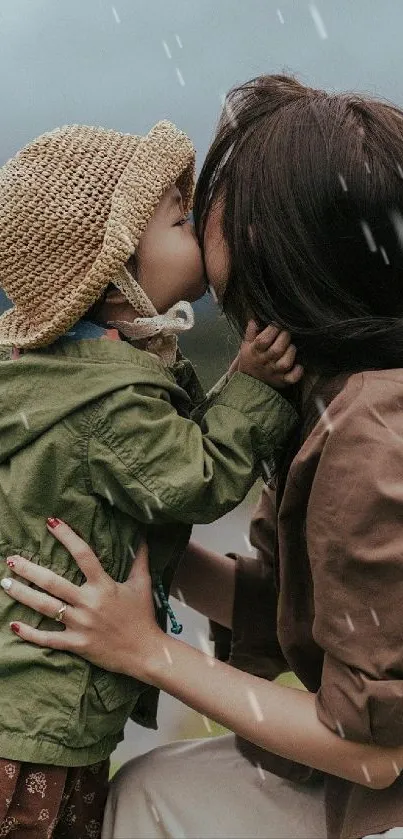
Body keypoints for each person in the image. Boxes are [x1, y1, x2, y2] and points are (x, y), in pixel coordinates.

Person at [3, 73, 403, 839]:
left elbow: (375, 746)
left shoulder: (374, 434)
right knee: (151, 791)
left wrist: (149, 651)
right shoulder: (329, 390)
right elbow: (308, 606)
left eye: (203, 214)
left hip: (384, 785)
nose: (205, 227)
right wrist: (110, 526)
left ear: (279, 242)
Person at [0, 118, 302, 838]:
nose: (197, 230)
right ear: (115, 276)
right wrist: (254, 386)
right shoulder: (105, 401)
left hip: (30, 709)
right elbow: (193, 477)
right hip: (37, 723)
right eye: (178, 219)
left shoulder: (77, 375)